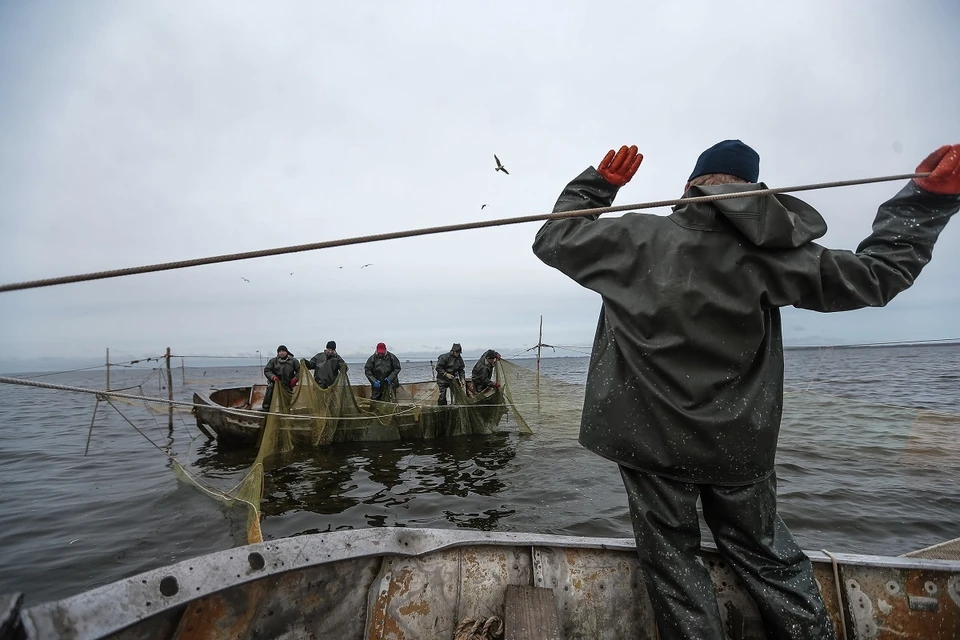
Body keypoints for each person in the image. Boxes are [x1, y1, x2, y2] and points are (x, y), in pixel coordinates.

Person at [532, 141, 960, 640]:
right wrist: (924, 202)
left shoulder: (632, 237)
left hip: (649, 444)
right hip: (738, 447)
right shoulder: (775, 256)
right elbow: (879, 274)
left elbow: (554, 238)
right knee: (769, 558)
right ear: (755, 191)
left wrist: (597, 187)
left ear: (689, 187)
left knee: (673, 566)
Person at [261, 345, 300, 411]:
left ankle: (286, 409)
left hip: (288, 383)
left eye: (283, 351)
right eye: (280, 351)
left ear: (286, 352)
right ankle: (266, 408)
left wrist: (296, 379)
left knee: (286, 401)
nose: (281, 353)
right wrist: (273, 377)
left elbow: (300, 370)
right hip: (275, 382)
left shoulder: (293, 361)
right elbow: (267, 370)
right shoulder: (273, 361)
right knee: (270, 388)